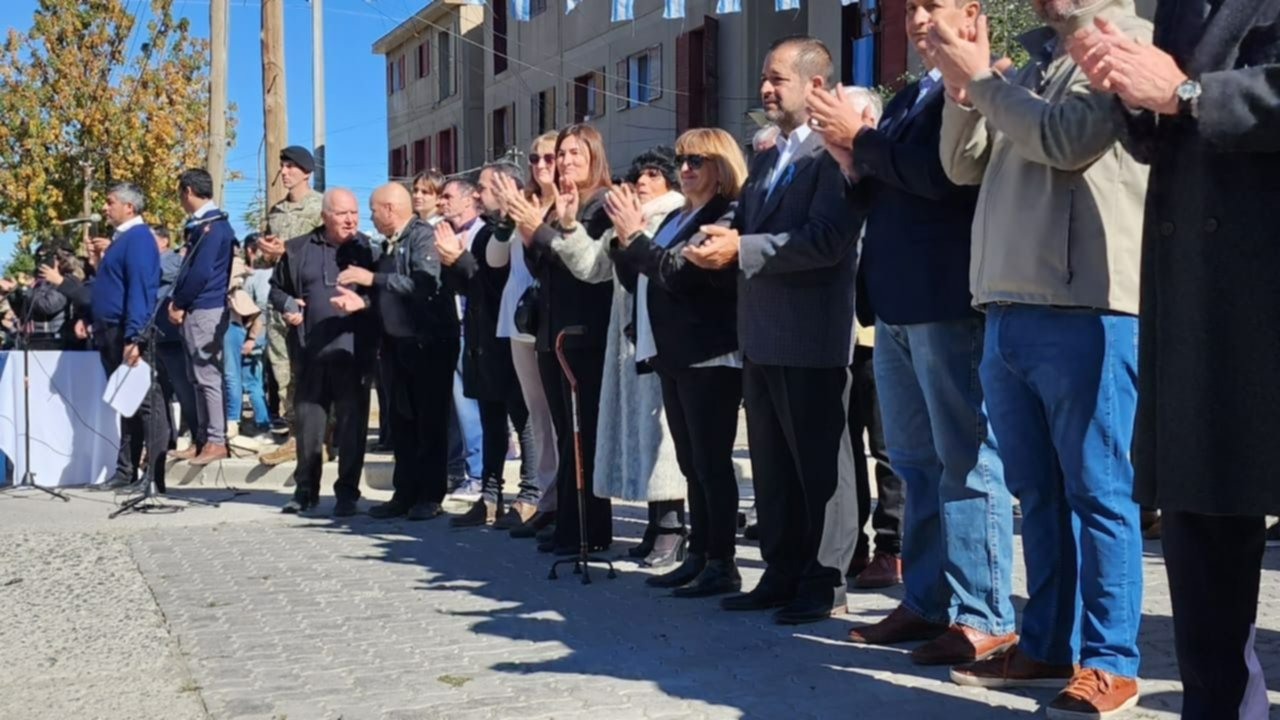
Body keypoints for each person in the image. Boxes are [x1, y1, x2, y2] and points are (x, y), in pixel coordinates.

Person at [932, 1, 1151, 715]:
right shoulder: (1031, 64)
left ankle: (1110, 660)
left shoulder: (1124, 40)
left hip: (1087, 306)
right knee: (1039, 495)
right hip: (1007, 306)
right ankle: (1048, 644)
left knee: (1099, 493)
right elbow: (960, 165)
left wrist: (983, 83)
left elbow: (1067, 140)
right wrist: (961, 89)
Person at [1069, 4, 1280, 717]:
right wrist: (1131, 95)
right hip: (1197, 297)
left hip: (1263, 284)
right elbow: (1163, 135)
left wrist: (1188, 93)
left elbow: (1195, 97)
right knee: (1200, 535)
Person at [808, 0, 1015, 665]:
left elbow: (944, 178)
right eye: (913, 8)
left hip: (947, 298)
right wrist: (848, 157)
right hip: (895, 302)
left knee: (966, 461)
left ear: (971, 13)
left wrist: (864, 143)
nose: (919, 19)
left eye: (934, 5)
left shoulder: (981, 84)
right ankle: (927, 600)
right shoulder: (906, 98)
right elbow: (883, 188)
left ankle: (984, 612)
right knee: (915, 463)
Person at [684, 36, 862, 625]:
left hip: (810, 334)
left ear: (816, 85)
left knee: (819, 468)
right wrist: (719, 236)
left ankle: (825, 579)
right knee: (773, 466)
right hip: (760, 334)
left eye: (777, 78)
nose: (765, 88)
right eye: (764, 77)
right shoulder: (767, 156)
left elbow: (827, 241)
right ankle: (781, 571)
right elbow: (746, 219)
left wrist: (743, 248)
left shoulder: (833, 152)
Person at [610, 128, 747, 596]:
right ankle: (700, 555)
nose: (685, 169)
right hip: (671, 352)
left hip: (709, 352)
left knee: (711, 462)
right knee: (691, 463)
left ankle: (722, 562)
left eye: (697, 161)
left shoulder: (726, 213)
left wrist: (635, 237)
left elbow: (677, 274)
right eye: (682, 160)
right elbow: (640, 275)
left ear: (721, 167)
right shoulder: (677, 216)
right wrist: (624, 241)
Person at [548, 145, 689, 567]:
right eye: (638, 175)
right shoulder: (628, 219)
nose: (642, 182)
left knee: (665, 437)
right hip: (627, 344)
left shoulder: (675, 215)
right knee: (643, 434)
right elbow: (592, 267)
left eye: (653, 174)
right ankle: (654, 525)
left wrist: (633, 235)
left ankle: (672, 526)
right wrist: (569, 225)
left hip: (662, 339)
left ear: (670, 181)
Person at [516, 123, 616, 555]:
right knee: (564, 433)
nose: (565, 162)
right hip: (551, 332)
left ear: (594, 156)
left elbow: (587, 267)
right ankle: (569, 523)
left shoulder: (601, 204)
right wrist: (531, 232)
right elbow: (543, 268)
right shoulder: (560, 204)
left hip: (584, 333)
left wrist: (539, 231)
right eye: (562, 154)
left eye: (575, 153)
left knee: (584, 435)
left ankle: (589, 529)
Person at [336, 182, 458, 521]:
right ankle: (404, 494)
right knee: (401, 424)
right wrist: (363, 302)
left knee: (429, 423)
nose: (371, 217)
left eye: (373, 210)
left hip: (428, 345)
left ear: (390, 209)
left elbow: (423, 285)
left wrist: (372, 279)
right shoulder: (389, 244)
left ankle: (429, 496)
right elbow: (389, 294)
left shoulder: (422, 237)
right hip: (395, 347)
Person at [437, 172, 537, 528]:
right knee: (490, 419)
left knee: (522, 419)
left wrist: (459, 260)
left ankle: (530, 495)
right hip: (481, 339)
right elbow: (465, 287)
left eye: (484, 187)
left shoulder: (508, 230)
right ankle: (490, 497)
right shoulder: (481, 234)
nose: (478, 194)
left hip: (510, 336)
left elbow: (495, 285)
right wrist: (451, 261)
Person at [268, 188, 377, 516]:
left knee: (352, 427)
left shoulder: (368, 250)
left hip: (353, 354)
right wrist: (288, 305)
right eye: (342, 214)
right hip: (310, 352)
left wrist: (363, 304)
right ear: (324, 215)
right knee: (309, 428)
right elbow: (276, 289)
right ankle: (305, 491)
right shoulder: (298, 249)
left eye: (354, 213)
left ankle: (347, 494)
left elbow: (382, 295)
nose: (350, 220)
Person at [487, 133, 561, 536]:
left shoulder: (568, 201)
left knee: (563, 413)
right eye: (534, 158)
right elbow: (495, 259)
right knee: (538, 413)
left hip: (555, 315)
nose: (541, 164)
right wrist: (507, 219)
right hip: (520, 318)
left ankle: (565, 499)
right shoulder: (525, 202)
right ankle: (546, 499)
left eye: (549, 157)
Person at [90, 183, 170, 491]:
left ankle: (153, 475)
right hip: (110, 329)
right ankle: (125, 471)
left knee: (148, 404)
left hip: (128, 330)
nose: (104, 208)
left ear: (129, 207)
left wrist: (135, 336)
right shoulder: (120, 240)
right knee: (128, 403)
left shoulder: (138, 239)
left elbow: (140, 289)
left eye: (110, 202)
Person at [258, 146, 324, 466]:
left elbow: (326, 250)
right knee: (282, 371)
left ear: (306, 172)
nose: (284, 172)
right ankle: (294, 434)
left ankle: (322, 436)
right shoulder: (276, 212)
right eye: (282, 166)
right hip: (280, 299)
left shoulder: (320, 207)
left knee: (313, 370)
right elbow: (269, 259)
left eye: (291, 167)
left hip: (310, 299)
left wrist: (288, 249)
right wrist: (267, 251)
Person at [168, 169, 234, 467]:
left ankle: (216, 440)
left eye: (180, 193)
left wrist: (180, 302)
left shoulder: (213, 226)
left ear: (188, 191)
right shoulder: (200, 225)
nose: (180, 199)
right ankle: (201, 438)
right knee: (196, 377)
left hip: (205, 307)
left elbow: (200, 272)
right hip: (196, 307)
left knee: (207, 376)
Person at [224, 236, 271, 439]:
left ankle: (260, 423)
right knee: (252, 381)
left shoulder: (254, 276)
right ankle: (261, 421)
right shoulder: (253, 274)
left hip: (251, 334)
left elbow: (260, 307)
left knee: (248, 381)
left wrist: (252, 338)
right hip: (252, 333)